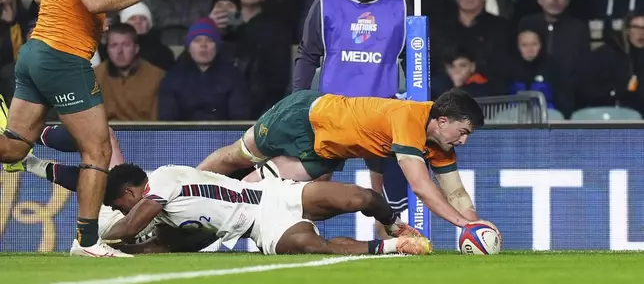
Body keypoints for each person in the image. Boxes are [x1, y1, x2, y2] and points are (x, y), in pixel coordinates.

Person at [0, 0, 179, 258]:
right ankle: (87, 242)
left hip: (35, 51)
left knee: (15, 147)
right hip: (63, 58)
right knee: (99, 149)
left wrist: (89, 19)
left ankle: (87, 240)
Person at [198, 89, 499, 232]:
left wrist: (475, 226)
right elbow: (420, 186)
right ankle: (177, 190)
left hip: (326, 153)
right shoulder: (409, 117)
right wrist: (461, 223)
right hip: (304, 117)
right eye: (462, 132)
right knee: (236, 156)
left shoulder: (443, 145)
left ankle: (204, 217)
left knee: (257, 191)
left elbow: (456, 193)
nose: (464, 141)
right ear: (443, 120)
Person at [292, 0, 407, 236]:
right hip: (334, 110)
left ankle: (388, 237)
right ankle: (303, 232)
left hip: (380, 110)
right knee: (317, 181)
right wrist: (297, 101)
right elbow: (307, 55)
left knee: (382, 193)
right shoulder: (325, 3)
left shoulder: (402, 5)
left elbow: (415, 57)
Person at [100, 163, 433, 255]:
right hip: (260, 224)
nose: (124, 212)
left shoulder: (163, 179)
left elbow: (129, 228)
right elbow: (158, 244)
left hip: (271, 193)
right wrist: (122, 251)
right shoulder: (166, 219)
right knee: (309, 245)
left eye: (120, 206)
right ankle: (394, 246)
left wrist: (93, 237)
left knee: (360, 198)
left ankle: (393, 224)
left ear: (130, 192)